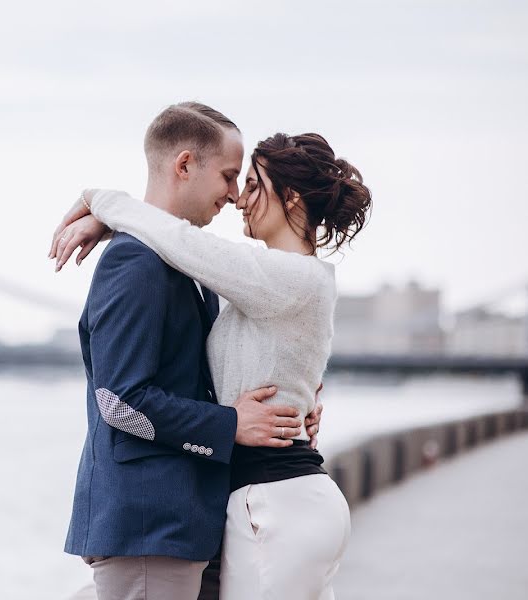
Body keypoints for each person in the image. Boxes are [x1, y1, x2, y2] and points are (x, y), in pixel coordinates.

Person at [52, 117, 372, 599]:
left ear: (289, 199)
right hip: (193, 515)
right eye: (231, 178)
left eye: (247, 183)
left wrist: (106, 203)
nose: (236, 198)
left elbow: (186, 245)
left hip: (267, 505)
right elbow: (120, 398)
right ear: (185, 164)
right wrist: (257, 409)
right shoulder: (148, 264)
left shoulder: (273, 277)